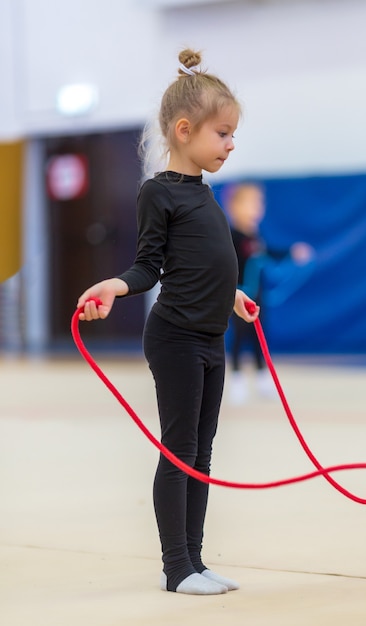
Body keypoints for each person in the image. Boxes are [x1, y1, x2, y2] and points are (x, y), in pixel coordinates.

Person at [76, 48, 259, 596]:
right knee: (180, 451)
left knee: (202, 454)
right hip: (176, 338)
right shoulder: (157, 193)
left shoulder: (205, 195)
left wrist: (232, 295)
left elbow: (204, 262)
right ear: (185, 130)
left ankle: (196, 562)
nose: (231, 143)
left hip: (211, 337)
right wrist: (115, 285)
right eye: (222, 133)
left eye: (232, 134)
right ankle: (175, 566)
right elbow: (150, 265)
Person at [225, 182, 315, 404]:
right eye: (252, 203)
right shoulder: (231, 235)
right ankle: (236, 380)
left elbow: (269, 253)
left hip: (257, 297)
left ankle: (262, 378)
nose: (258, 208)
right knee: (238, 337)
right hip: (237, 297)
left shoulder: (256, 235)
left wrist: (292, 253)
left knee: (259, 337)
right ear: (235, 206)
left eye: (260, 203)